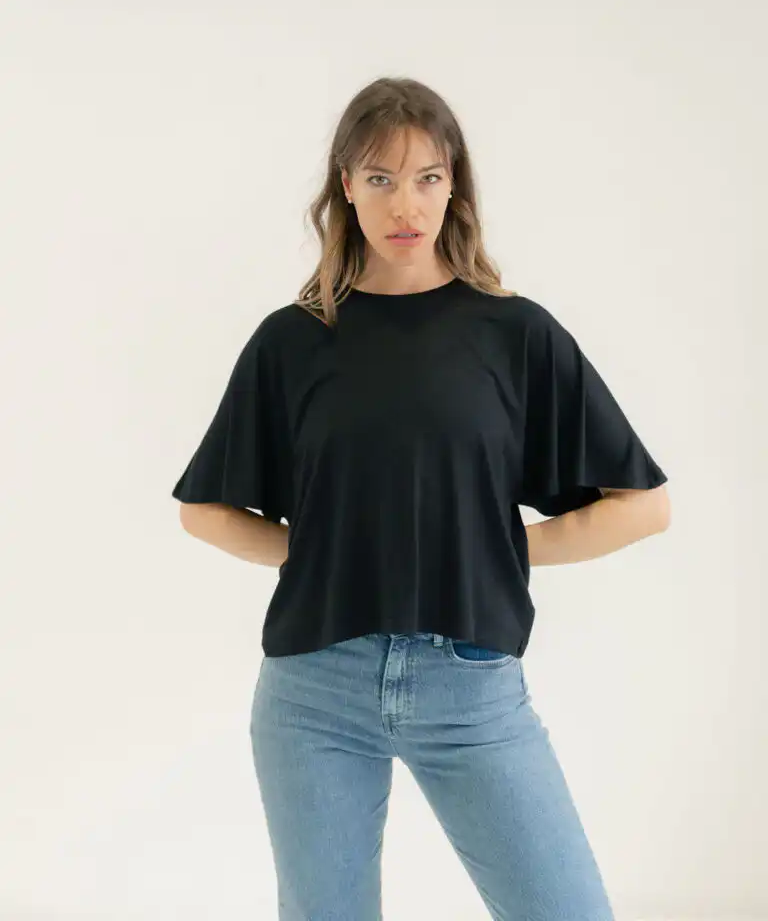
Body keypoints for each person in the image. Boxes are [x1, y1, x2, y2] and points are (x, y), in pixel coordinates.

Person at [172, 76, 670, 920]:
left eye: (427, 177)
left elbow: (643, 505)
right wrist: (327, 551)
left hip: (469, 687)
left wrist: (496, 546)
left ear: (453, 185)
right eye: (379, 178)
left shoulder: (515, 334)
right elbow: (205, 510)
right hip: (314, 689)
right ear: (346, 186)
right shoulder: (293, 340)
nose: (405, 204)